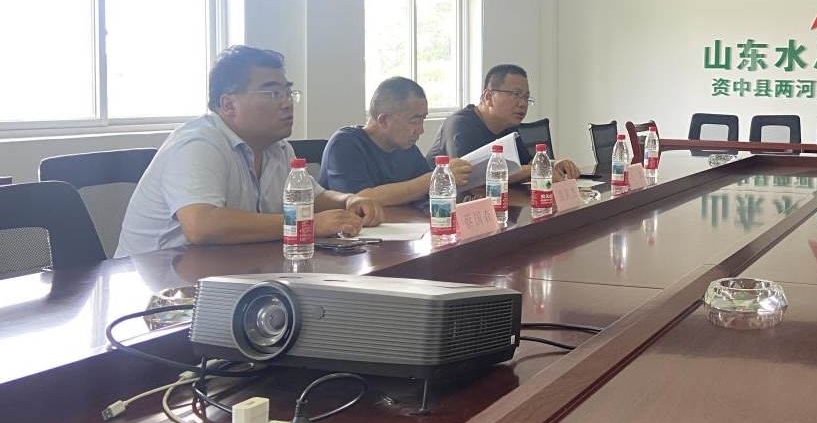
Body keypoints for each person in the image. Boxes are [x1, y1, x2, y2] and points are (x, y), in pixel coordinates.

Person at [117, 46, 381, 256]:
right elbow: (201, 225)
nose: (287, 103)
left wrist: (349, 201)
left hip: (225, 274)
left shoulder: (278, 148)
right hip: (156, 290)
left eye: (288, 92)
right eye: (273, 93)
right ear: (228, 105)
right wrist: (303, 225)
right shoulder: (198, 143)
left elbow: (314, 198)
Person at [320, 77, 471, 206]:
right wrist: (432, 179)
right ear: (384, 120)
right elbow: (360, 200)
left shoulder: (407, 149)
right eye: (415, 120)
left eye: (423, 120)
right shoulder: (345, 144)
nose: (420, 130)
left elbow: (428, 196)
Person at [428, 64, 580, 183]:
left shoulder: (508, 125)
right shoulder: (460, 124)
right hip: (434, 207)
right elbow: (470, 179)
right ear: (488, 96)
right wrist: (534, 169)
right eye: (516, 94)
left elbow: (525, 163)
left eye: (526, 97)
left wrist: (553, 164)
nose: (523, 104)